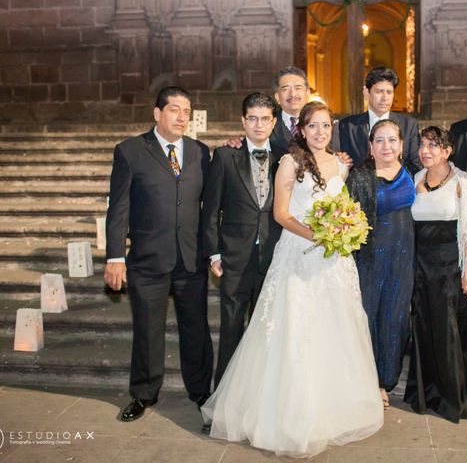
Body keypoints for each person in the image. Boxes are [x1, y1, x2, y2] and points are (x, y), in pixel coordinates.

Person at [201, 101, 383, 458]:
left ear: (333, 130)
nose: (320, 133)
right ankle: (285, 414)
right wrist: (316, 235)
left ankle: (333, 410)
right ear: (301, 129)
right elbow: (281, 214)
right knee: (294, 330)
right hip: (298, 254)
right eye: (313, 126)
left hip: (334, 262)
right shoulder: (290, 161)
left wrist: (343, 230)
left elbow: (341, 208)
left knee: (335, 330)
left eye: (326, 126)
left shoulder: (340, 165)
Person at [105, 86, 214, 422]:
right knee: (148, 330)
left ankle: (200, 392)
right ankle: (143, 394)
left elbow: (209, 206)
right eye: (174, 110)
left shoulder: (200, 152)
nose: (182, 117)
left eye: (187, 111)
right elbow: (118, 209)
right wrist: (114, 257)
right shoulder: (130, 151)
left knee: (196, 329)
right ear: (157, 113)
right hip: (147, 260)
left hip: (190, 258)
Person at [403, 126, 467, 423]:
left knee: (450, 329)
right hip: (420, 265)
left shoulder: (464, 183)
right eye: (422, 145)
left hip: (450, 265)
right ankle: (427, 393)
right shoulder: (414, 179)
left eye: (433, 146)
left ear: (447, 151)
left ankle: (455, 397)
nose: (425, 150)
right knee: (424, 327)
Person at [200, 92, 282, 388]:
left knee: (266, 331)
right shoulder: (224, 156)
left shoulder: (286, 157)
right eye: (252, 118)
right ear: (243, 121)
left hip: (274, 258)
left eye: (264, 119)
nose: (258, 125)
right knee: (231, 329)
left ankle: (260, 397)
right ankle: (222, 399)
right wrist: (214, 254)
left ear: (274, 122)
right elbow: (211, 210)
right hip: (235, 258)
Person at [346, 119, 416, 409]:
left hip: (404, 258)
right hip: (370, 257)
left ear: (401, 145)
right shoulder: (359, 176)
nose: (386, 146)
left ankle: (386, 380)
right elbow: (347, 218)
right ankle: (369, 382)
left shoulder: (412, 173)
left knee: (396, 318)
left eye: (392, 140)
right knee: (369, 316)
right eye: (380, 140)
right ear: (371, 146)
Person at [337, 67, 421, 173]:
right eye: (379, 91)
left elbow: (416, 164)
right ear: (367, 93)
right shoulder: (347, 126)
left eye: (389, 92)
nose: (385, 97)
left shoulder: (408, 125)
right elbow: (345, 165)